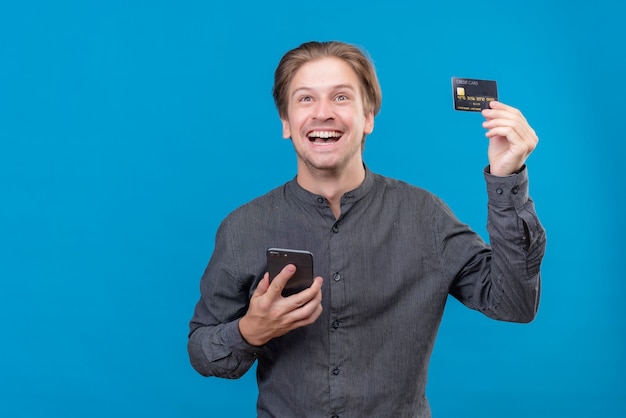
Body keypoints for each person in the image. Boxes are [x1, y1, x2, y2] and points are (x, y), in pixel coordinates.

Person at [188, 40, 546, 418]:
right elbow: (201, 350)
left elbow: (514, 304)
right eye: (306, 99)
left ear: (368, 118)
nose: (322, 113)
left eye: (341, 98)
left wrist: (508, 179)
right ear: (286, 122)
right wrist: (250, 331)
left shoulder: (425, 215)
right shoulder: (243, 226)